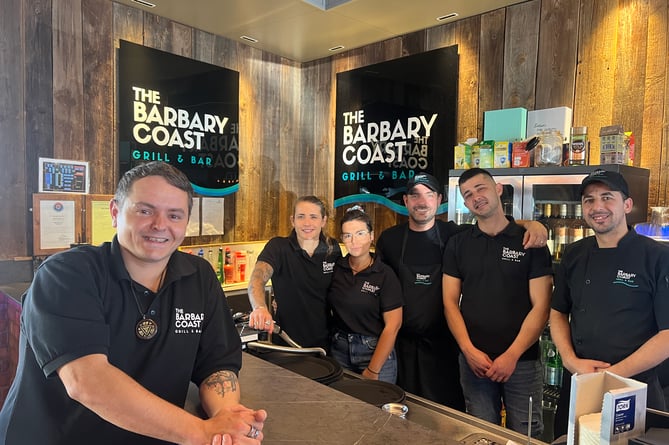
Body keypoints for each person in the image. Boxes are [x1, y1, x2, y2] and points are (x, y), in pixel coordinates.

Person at [0, 161, 266, 445]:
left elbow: (218, 364)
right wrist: (202, 432)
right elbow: (87, 381)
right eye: (145, 210)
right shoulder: (67, 274)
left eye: (174, 215)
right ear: (115, 212)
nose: (160, 225)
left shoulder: (199, 276)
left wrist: (226, 420)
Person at [375, 172, 548, 410]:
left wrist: (531, 224)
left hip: (444, 349)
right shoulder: (389, 239)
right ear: (405, 201)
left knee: (447, 419)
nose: (422, 202)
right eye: (414, 195)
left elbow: (492, 224)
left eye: (428, 195)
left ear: (439, 200)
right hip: (403, 348)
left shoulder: (453, 234)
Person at [550, 169, 669, 438]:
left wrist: (611, 376)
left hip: (634, 388)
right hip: (580, 383)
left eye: (607, 197)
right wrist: (571, 362)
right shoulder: (574, 254)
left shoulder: (658, 257)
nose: (597, 207)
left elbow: (667, 335)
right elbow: (557, 312)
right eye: (589, 200)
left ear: (627, 204)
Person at [442, 168, 553, 437]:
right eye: (468, 194)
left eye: (481, 188)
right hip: (474, 362)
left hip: (522, 362)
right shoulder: (458, 244)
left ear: (498, 189)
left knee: (526, 435)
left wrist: (512, 355)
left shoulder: (529, 241)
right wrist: (468, 350)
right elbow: (449, 302)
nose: (476, 197)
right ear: (465, 203)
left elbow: (542, 306)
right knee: (481, 434)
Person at [247, 196, 341, 349]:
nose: (307, 223)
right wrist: (260, 308)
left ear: (323, 221)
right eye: (301, 216)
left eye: (313, 217)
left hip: (326, 343)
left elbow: (341, 288)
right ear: (293, 220)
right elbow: (257, 279)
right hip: (287, 342)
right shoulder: (278, 247)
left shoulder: (332, 249)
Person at [327, 206, 403, 383]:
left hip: (375, 352)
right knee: (341, 407)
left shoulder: (384, 275)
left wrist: (373, 369)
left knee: (376, 409)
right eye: (347, 235)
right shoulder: (336, 269)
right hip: (339, 349)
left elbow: (393, 325)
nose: (354, 241)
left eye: (360, 233)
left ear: (371, 235)